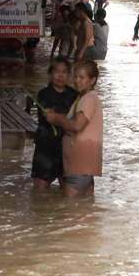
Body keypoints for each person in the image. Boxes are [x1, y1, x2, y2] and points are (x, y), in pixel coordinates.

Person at [45, 60, 104, 198]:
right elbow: (75, 121)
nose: (77, 81)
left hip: (79, 165)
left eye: (82, 78)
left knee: (69, 214)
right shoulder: (84, 97)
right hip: (83, 166)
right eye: (76, 77)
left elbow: (77, 125)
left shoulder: (88, 99)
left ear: (92, 80)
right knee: (84, 211)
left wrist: (56, 119)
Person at [31, 58, 78, 190]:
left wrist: (58, 117)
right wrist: (64, 119)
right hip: (45, 147)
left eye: (64, 72)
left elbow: (74, 120)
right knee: (40, 189)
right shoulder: (43, 94)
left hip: (66, 146)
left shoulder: (74, 95)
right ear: (50, 74)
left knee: (67, 188)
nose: (60, 75)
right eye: (57, 71)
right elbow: (49, 118)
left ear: (69, 76)